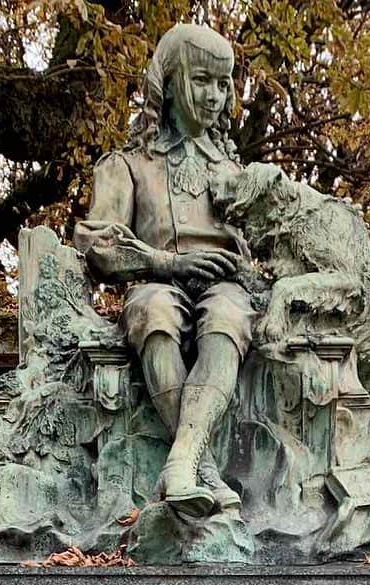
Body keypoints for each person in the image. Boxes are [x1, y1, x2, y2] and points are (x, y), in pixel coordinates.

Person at [72, 24, 253, 518]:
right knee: (153, 310)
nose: (214, 96)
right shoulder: (128, 166)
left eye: (223, 84)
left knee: (230, 317)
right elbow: (98, 247)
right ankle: (202, 467)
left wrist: (242, 262)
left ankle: (181, 463)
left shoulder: (238, 175)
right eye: (202, 81)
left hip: (224, 288)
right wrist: (167, 262)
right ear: (168, 83)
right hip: (156, 283)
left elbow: (268, 251)